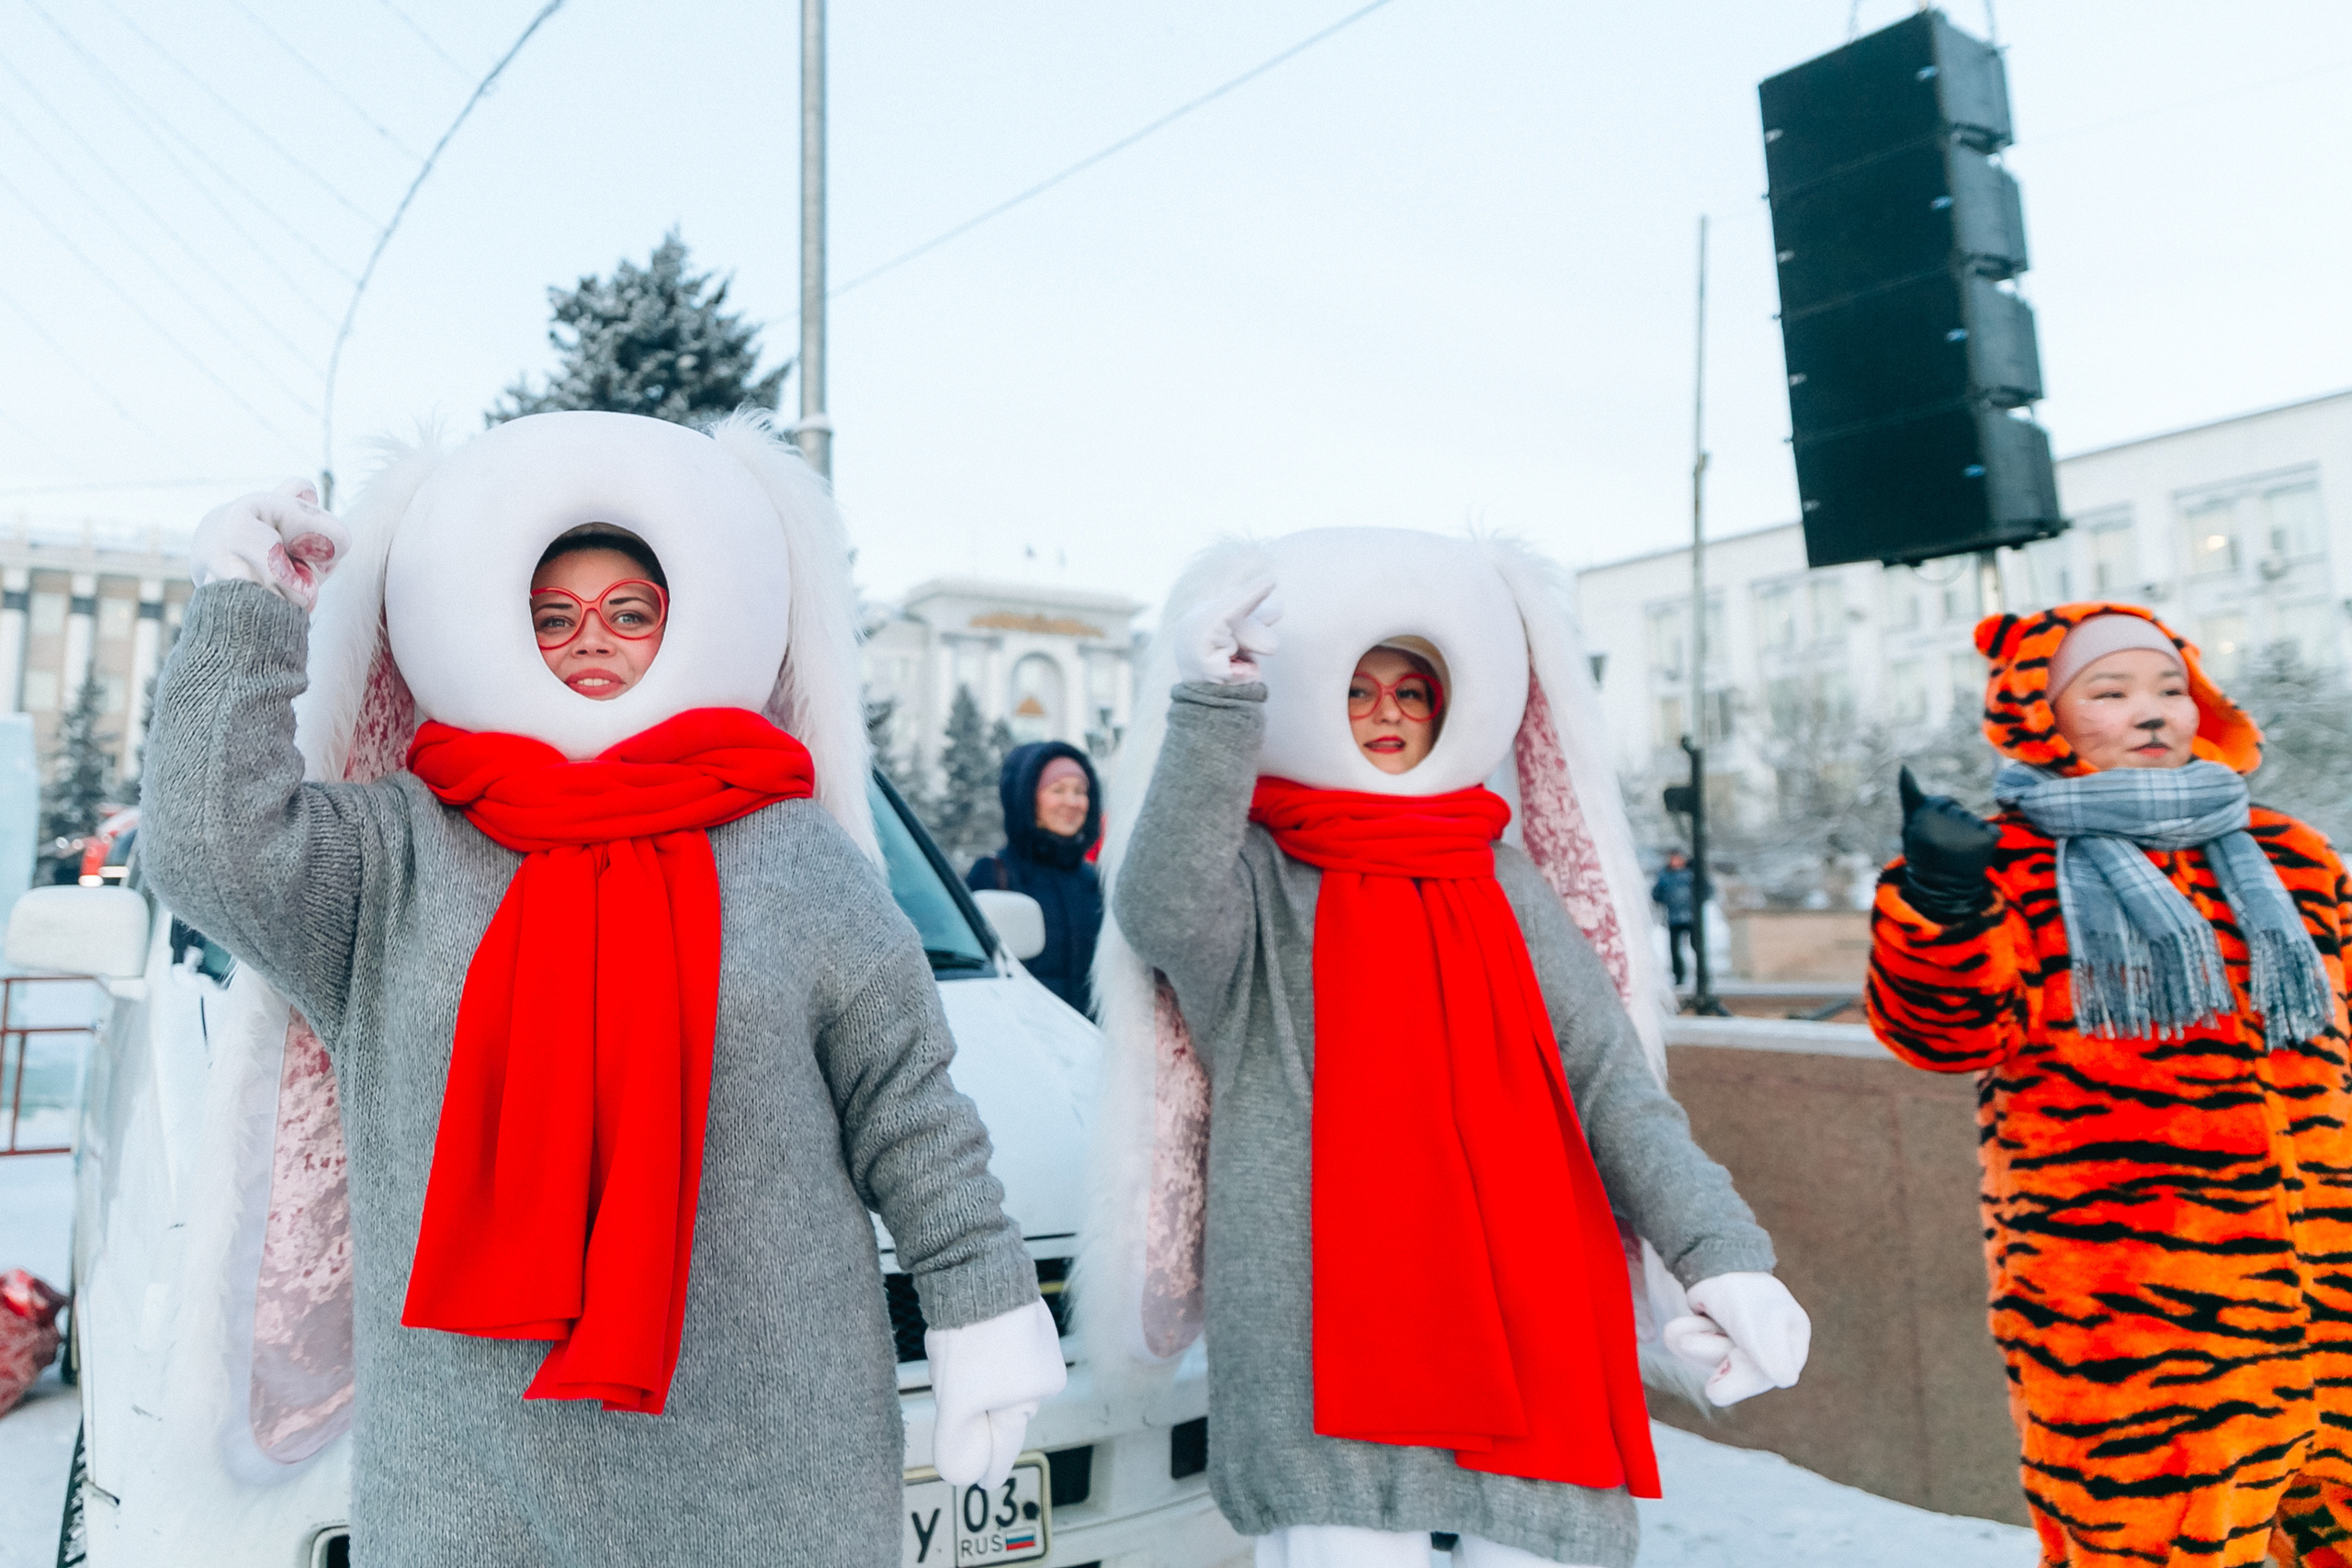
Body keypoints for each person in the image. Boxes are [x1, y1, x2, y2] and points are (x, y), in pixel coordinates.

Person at [139, 411, 1066, 1568]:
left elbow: (910, 1111)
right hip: (473, 1489)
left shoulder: (788, 851)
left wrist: (981, 1301)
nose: (592, 642)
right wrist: (246, 614)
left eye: (632, 612)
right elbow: (204, 844)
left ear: (689, 624)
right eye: (552, 614)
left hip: (772, 1479)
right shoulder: (396, 855)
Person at [1084, 529, 1811, 1568]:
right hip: (1321, 1328)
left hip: (1528, 1307)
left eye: (1412, 689)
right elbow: (1159, 908)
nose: (1386, 713)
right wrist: (1217, 705)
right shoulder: (1255, 877)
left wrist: (1722, 1254)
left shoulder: (1507, 881)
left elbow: (1613, 1087)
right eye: (1360, 688)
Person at [1867, 603, 2352, 1568]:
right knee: (2148, 1543)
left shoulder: (2292, 855)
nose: (2150, 711)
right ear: (2040, 716)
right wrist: (1939, 903)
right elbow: (1946, 1035)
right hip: (2133, 1306)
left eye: (2170, 689)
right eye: (2111, 690)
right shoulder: (2008, 866)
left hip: (2333, 1270)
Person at [967, 741, 1103, 1013]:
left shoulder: (1096, 883)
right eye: (1058, 790)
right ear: (1027, 798)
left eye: (1080, 791)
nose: (1072, 802)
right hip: (1026, 1041)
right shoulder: (994, 875)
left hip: (1091, 1044)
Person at [1650, 852, 1695, 987]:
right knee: (1675, 949)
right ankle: (1679, 976)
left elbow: (1706, 890)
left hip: (1691, 916)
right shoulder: (1665, 876)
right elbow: (1657, 895)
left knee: (1696, 946)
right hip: (1674, 917)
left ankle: (1703, 976)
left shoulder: (1692, 874)